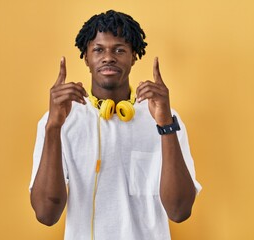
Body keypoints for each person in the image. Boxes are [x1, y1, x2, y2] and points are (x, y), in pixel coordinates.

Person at [29, 9, 201, 240]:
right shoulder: (59, 120)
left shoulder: (165, 118)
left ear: (134, 57)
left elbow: (180, 211)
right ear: (86, 58)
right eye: (98, 49)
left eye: (119, 50)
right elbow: (45, 214)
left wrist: (165, 125)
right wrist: (53, 128)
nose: (108, 57)